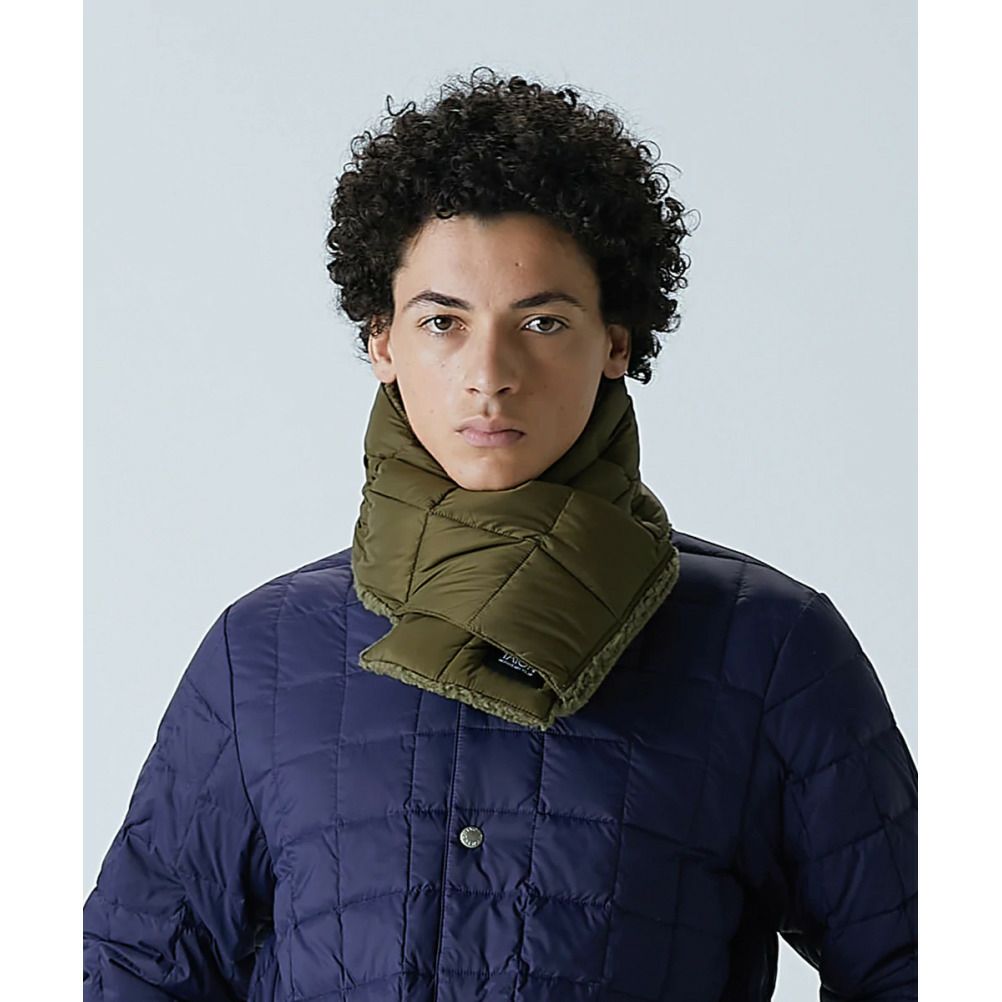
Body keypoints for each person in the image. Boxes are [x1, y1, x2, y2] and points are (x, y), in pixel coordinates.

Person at [83, 67, 918, 1001]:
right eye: (443, 321)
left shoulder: (767, 649)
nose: (490, 373)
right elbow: (135, 967)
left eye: (543, 321)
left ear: (615, 340)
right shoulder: (264, 654)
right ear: (382, 341)